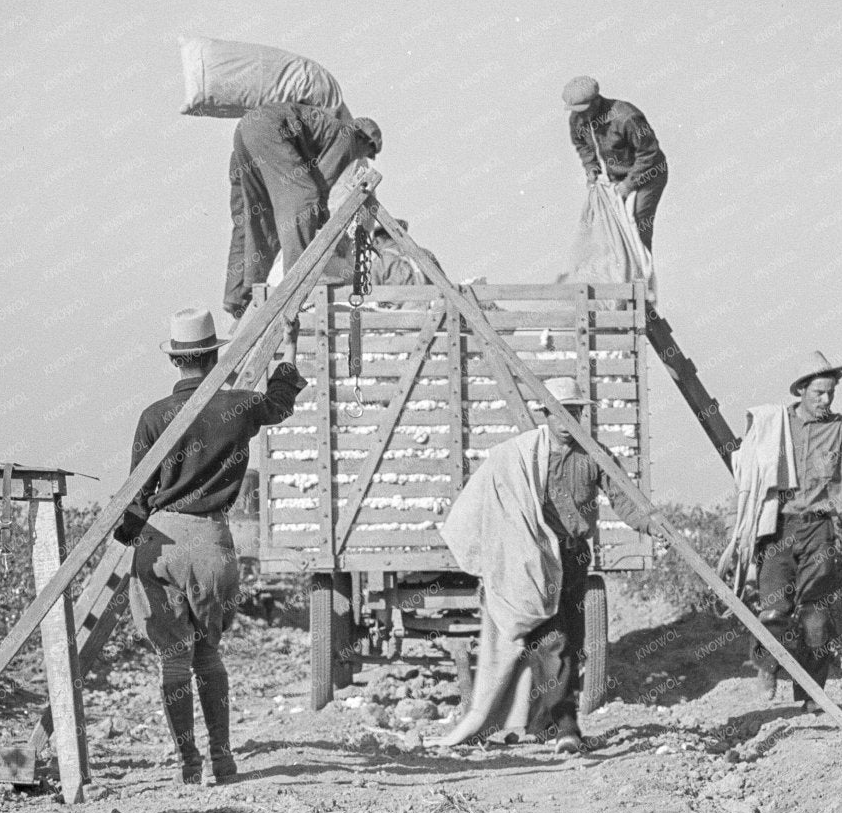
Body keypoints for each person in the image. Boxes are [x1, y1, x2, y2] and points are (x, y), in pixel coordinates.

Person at [117, 308, 307, 783]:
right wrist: (291, 345)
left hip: (159, 541)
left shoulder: (153, 416)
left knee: (173, 660)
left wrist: (128, 537)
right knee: (208, 654)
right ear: (212, 355)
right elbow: (281, 402)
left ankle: (188, 765)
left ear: (175, 361)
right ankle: (222, 759)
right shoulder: (237, 408)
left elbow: (137, 492)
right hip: (212, 542)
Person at [434, 376, 652, 754]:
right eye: (560, 414)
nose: (568, 421)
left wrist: (652, 525)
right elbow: (490, 496)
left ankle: (541, 723)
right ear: (547, 416)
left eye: (575, 413)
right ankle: (567, 727)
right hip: (536, 561)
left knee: (571, 643)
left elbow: (624, 498)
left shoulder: (594, 455)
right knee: (554, 642)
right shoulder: (525, 456)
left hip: (575, 556)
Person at [726, 357, 842, 705]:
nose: (825, 401)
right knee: (773, 611)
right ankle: (767, 667)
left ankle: (811, 695)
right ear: (801, 391)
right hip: (778, 528)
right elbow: (747, 462)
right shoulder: (776, 424)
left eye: (830, 394)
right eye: (818, 393)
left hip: (820, 530)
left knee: (816, 617)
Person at [222, 103, 383, 321]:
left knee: (257, 217)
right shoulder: (349, 138)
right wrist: (319, 214)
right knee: (305, 197)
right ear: (365, 140)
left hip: (246, 133)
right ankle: (299, 278)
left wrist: (320, 212)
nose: (364, 156)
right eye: (370, 152)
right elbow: (319, 185)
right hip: (268, 131)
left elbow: (316, 179)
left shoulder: (327, 131)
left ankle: (239, 292)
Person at [565, 76, 667, 251]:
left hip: (649, 173)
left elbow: (649, 152)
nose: (580, 115)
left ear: (596, 101)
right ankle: (622, 271)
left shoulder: (627, 117)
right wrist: (591, 168)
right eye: (577, 110)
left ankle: (641, 274)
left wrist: (629, 184)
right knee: (612, 224)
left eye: (584, 109)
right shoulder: (578, 118)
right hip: (616, 175)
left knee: (637, 221)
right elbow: (582, 145)